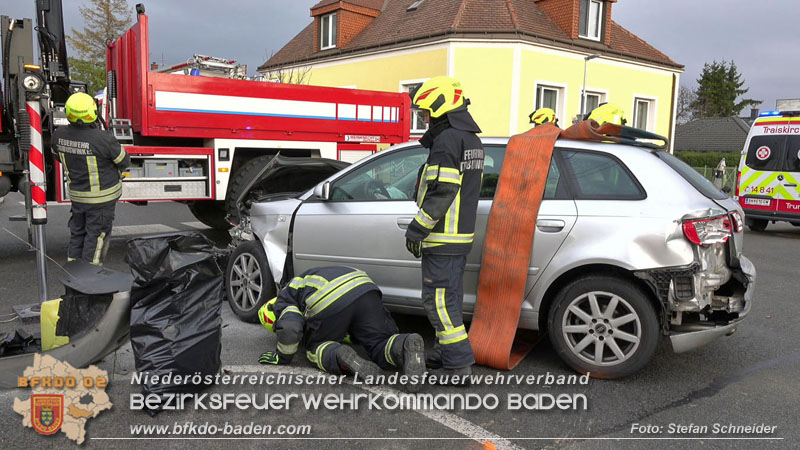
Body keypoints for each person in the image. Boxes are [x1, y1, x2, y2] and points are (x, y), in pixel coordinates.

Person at [405, 76, 484, 383]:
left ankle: (458, 366)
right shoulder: (470, 140)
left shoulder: (448, 140)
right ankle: (443, 352)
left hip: (442, 238)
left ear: (441, 107)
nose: (425, 120)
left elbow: (444, 191)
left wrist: (417, 229)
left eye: (427, 113)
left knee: (438, 301)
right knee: (449, 298)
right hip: (459, 238)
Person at [257, 266, 426, 392]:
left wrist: (282, 356)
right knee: (379, 342)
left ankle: (339, 355)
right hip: (365, 288)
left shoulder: (284, 298)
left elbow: (291, 328)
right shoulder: (308, 277)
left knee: (316, 347)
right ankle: (404, 344)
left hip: (330, 297)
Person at [52, 92, 129, 265]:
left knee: (77, 233)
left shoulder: (58, 135)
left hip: (77, 197)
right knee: (96, 237)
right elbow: (124, 161)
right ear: (93, 112)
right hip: (101, 200)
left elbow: (57, 156)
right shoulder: (103, 138)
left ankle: (73, 272)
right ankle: (90, 276)